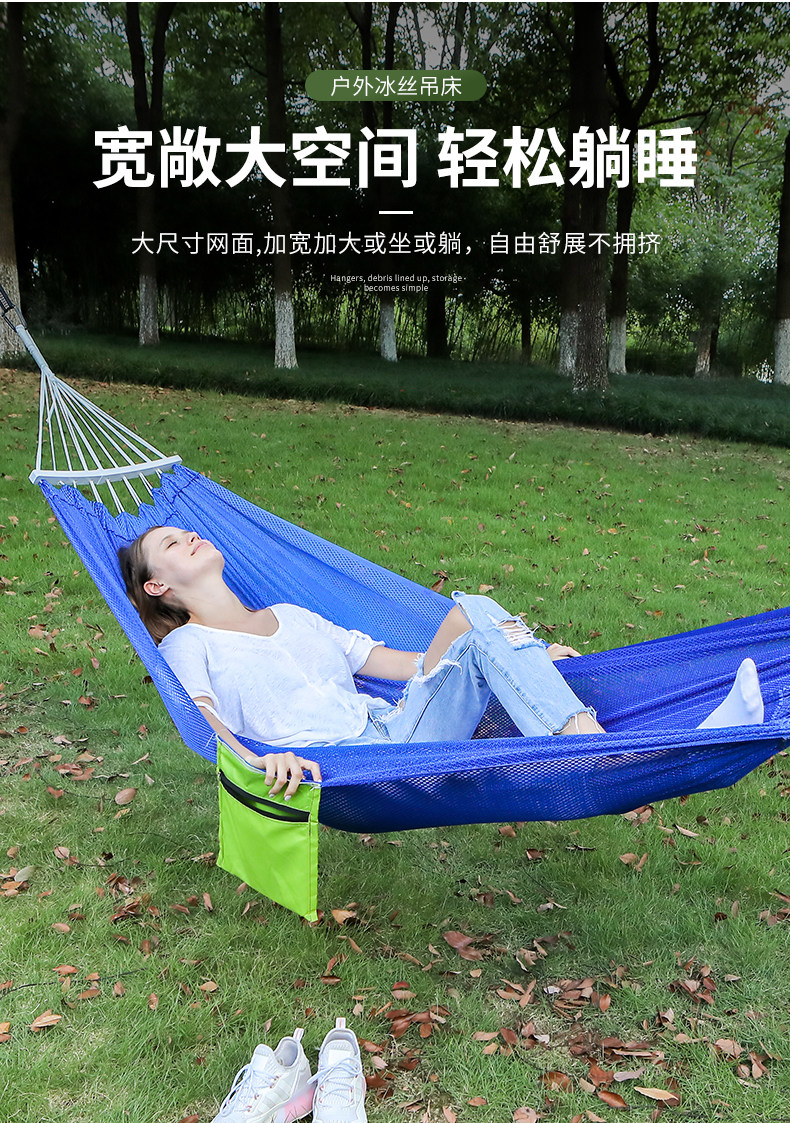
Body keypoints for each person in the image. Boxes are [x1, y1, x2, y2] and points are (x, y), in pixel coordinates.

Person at [118, 526, 765, 799]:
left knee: (472, 612)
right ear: (157, 586)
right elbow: (202, 719)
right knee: (480, 622)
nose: (190, 535)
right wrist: (258, 760)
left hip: (396, 727)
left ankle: (590, 736)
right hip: (353, 762)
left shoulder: (294, 615)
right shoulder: (188, 645)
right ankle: (600, 748)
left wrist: (518, 656)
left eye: (188, 530)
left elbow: (404, 664)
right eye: (171, 543)